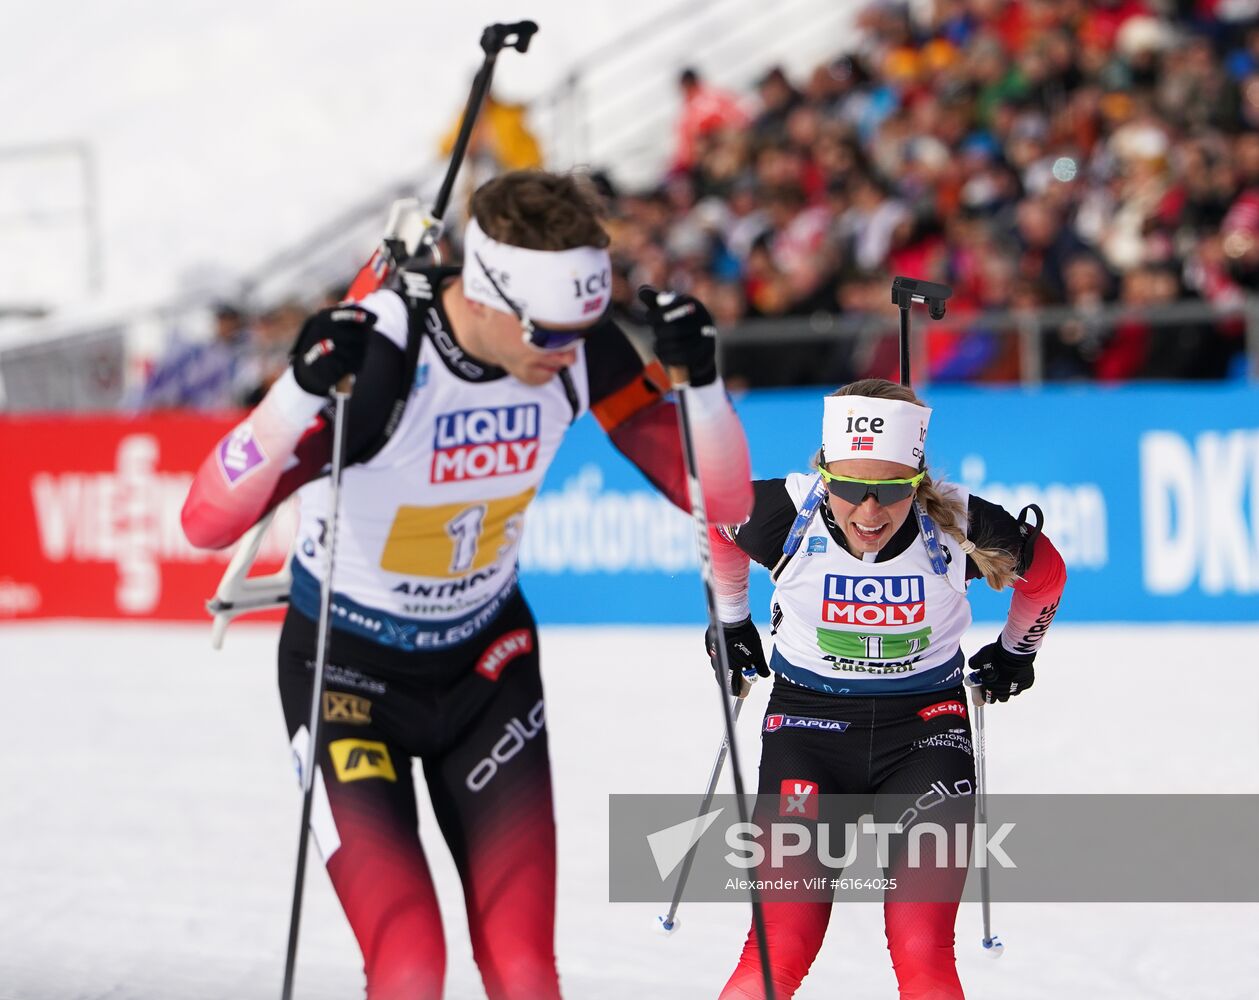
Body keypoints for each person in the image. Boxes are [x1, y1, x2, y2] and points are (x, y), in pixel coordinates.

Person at [180, 170, 753, 1000]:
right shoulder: (381, 358)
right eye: (551, 332)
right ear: (484, 295)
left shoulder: (576, 348)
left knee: (524, 973)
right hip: (345, 676)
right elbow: (205, 522)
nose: (568, 352)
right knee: (410, 965)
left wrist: (699, 384)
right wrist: (296, 390)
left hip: (489, 668)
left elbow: (721, 499)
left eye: (585, 327)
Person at [706, 378, 1066, 999]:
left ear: (918, 480)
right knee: (778, 945)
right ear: (824, 475)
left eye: (892, 492)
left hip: (926, 735)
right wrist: (731, 621)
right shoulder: (781, 514)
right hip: (807, 735)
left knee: (924, 954)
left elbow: (1046, 576)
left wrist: (1016, 653)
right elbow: (718, 526)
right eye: (848, 489)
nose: (868, 514)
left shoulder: (962, 524)